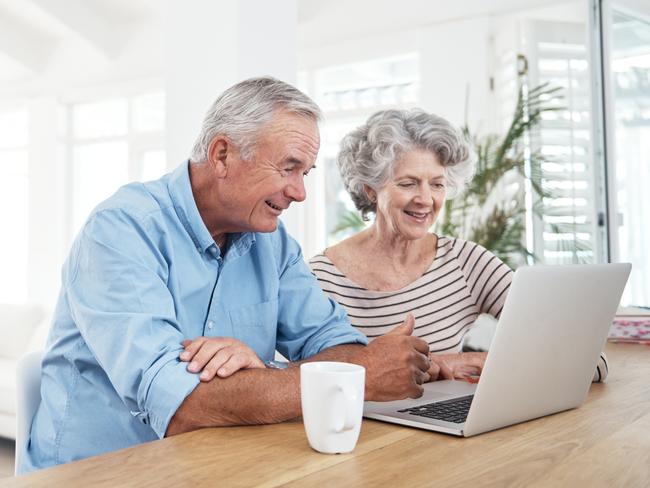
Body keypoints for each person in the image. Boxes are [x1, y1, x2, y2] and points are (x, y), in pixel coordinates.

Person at [20, 78, 432, 473]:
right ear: (222, 155)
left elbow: (339, 347)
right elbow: (183, 406)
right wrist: (344, 375)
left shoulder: (271, 241)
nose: (300, 192)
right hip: (98, 474)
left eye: (304, 173)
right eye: (289, 168)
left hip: (214, 465)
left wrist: (265, 371)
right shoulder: (121, 230)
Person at [309, 108, 609, 383]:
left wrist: (476, 361)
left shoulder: (466, 262)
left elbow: (588, 361)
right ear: (370, 190)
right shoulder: (321, 276)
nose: (426, 199)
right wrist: (436, 365)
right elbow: (310, 382)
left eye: (437, 184)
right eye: (408, 183)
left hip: (451, 432)